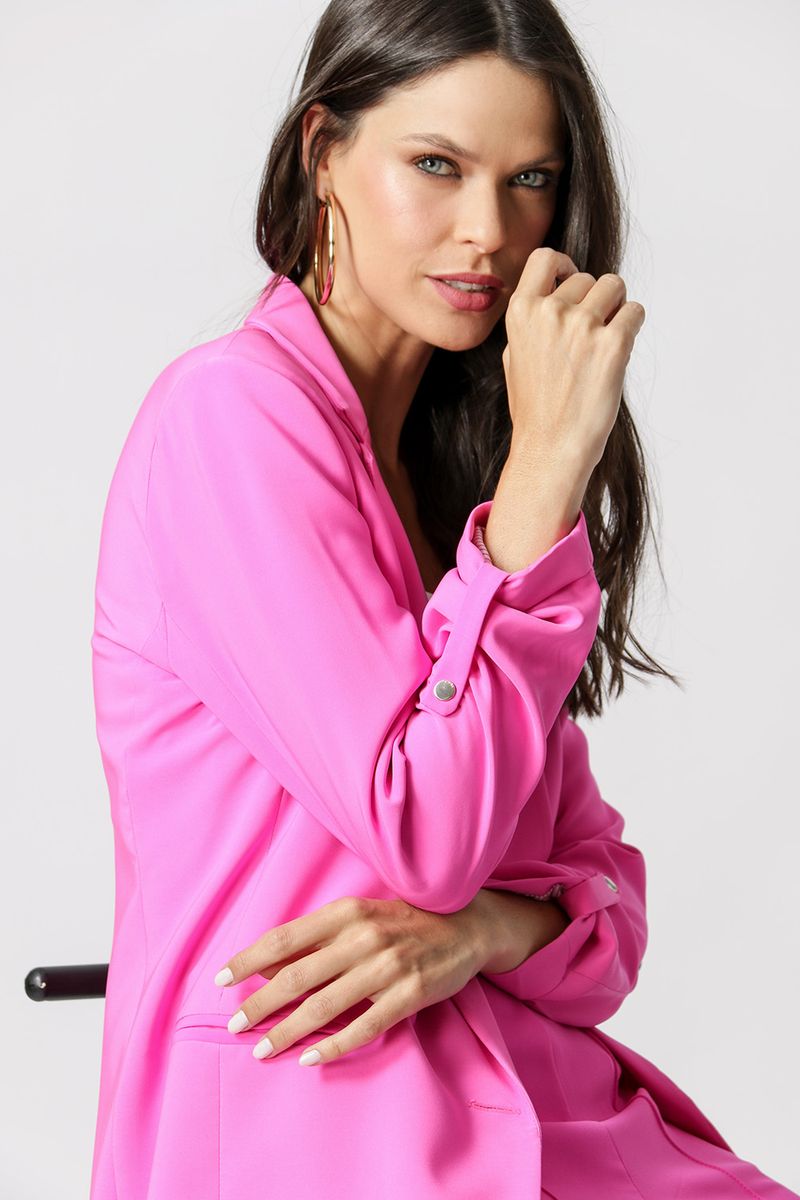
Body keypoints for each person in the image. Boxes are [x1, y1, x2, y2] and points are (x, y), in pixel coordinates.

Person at [88, 1, 798, 1197]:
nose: (488, 231)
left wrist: (480, 933)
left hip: (541, 1116)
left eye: (529, 180)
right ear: (323, 153)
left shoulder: (453, 480)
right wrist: (543, 475)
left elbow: (603, 912)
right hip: (317, 1134)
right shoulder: (231, 420)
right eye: (435, 165)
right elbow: (429, 833)